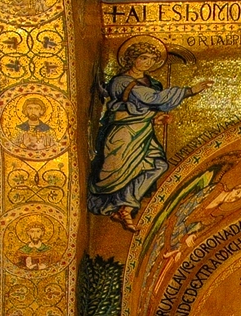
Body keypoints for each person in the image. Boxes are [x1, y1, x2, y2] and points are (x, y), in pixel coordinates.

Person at [87, 38, 211, 232]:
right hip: (124, 132)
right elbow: (151, 99)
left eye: (152, 59)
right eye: (144, 58)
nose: (148, 63)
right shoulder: (121, 82)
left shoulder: (152, 82)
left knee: (158, 165)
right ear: (132, 59)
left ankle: (126, 207)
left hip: (143, 131)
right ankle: (116, 203)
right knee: (114, 174)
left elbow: (147, 106)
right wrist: (190, 91)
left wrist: (155, 118)